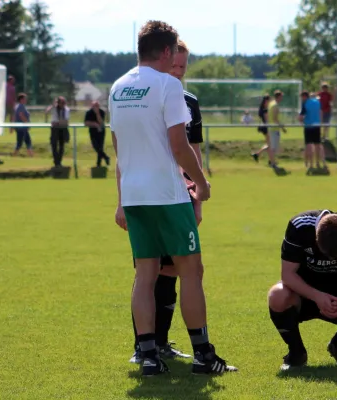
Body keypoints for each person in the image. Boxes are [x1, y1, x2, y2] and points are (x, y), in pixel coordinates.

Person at [109, 20, 236, 376]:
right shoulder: (168, 86)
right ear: (166, 51)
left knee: (145, 274)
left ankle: (148, 356)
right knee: (191, 270)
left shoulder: (118, 88)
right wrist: (202, 184)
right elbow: (180, 146)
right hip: (167, 194)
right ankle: (204, 355)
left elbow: (118, 152)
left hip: (135, 196)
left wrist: (120, 199)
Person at [128, 38, 205, 365]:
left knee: (172, 271)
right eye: (174, 65)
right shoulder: (145, 95)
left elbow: (194, 150)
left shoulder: (188, 100)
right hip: (157, 195)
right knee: (153, 270)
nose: (177, 72)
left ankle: (158, 344)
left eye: (183, 68)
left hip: (178, 196)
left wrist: (197, 198)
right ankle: (144, 347)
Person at [268, 210, 337, 370]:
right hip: (302, 294)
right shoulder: (299, 227)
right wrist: (317, 296)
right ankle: (296, 354)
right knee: (277, 295)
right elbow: (287, 275)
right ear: (316, 238)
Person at [298, 91, 325, 171]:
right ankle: (318, 163)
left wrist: (302, 122)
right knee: (317, 145)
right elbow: (321, 113)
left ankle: (311, 164)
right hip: (317, 126)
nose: (302, 99)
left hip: (308, 126)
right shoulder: (317, 102)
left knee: (309, 146)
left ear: (305, 97)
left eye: (302, 97)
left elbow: (300, 117)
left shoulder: (305, 104)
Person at [84, 101, 110, 167]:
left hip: (101, 132)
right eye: (94, 106)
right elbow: (86, 123)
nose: (95, 107)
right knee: (95, 146)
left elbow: (101, 122)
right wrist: (94, 124)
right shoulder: (88, 113)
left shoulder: (101, 112)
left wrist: (97, 113)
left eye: (97, 106)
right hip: (93, 132)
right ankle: (106, 157)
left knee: (100, 147)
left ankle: (98, 164)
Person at [47, 97, 70, 167]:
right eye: (61, 103)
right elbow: (46, 111)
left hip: (63, 129)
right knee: (53, 145)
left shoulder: (66, 109)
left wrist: (57, 122)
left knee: (61, 146)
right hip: (55, 129)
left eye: (64, 103)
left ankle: (58, 162)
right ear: (58, 103)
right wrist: (53, 105)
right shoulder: (54, 108)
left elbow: (66, 121)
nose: (63, 104)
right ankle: (56, 161)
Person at [267, 90, 287, 168]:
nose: (282, 98)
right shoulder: (275, 105)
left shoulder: (271, 104)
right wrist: (282, 127)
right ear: (278, 97)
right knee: (273, 147)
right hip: (274, 128)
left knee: (273, 146)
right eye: (281, 96)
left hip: (271, 128)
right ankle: (273, 163)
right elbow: (275, 119)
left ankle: (272, 161)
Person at [250, 95, 272, 164]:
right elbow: (266, 120)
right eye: (269, 101)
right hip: (266, 127)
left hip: (264, 127)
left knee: (269, 144)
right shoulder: (265, 109)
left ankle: (260, 155)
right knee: (270, 144)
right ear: (266, 101)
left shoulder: (263, 108)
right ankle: (259, 155)